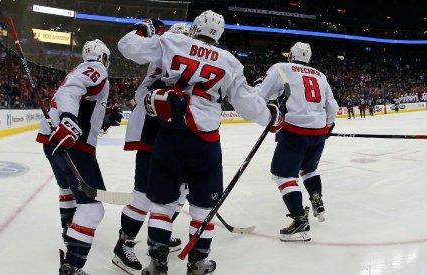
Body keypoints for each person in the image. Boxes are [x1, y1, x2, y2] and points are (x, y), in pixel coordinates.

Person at [118, 11, 282, 274]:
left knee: (161, 204)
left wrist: (143, 28)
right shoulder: (229, 61)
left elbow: (127, 47)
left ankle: (157, 263)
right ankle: (197, 262)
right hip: (205, 140)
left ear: (194, 28)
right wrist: (271, 116)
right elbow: (248, 105)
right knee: (203, 205)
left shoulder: (172, 41)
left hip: (169, 133)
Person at [112, 23, 191, 275]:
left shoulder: (184, 55)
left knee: (180, 191)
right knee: (145, 195)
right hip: (152, 127)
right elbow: (127, 46)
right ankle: (122, 245)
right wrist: (142, 29)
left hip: (176, 131)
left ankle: (159, 238)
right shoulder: (166, 47)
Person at [36, 39, 111, 275]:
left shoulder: (76, 70)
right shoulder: (96, 68)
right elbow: (71, 93)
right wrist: (69, 119)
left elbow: (78, 97)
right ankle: (72, 267)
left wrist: (104, 117)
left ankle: (70, 230)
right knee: (92, 209)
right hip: (73, 145)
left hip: (52, 142)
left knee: (67, 189)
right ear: (103, 57)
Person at [255, 42, 339, 242]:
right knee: (308, 170)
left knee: (282, 175)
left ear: (291, 55)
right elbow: (332, 106)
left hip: (294, 131)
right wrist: (327, 126)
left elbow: (259, 96)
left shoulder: (281, 68)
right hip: (318, 133)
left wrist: (259, 84)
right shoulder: (321, 75)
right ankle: (316, 198)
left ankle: (299, 219)